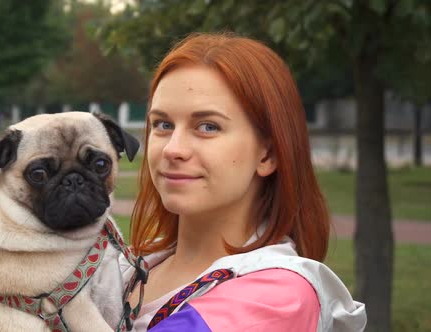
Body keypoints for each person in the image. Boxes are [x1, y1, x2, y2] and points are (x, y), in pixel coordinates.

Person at [120, 33, 366, 331]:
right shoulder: (128, 268)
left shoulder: (276, 297)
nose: (173, 148)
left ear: (268, 154)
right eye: (163, 124)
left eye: (207, 126)